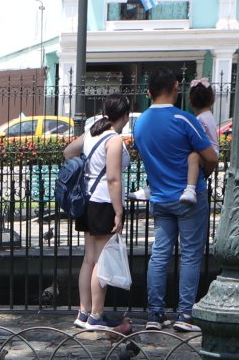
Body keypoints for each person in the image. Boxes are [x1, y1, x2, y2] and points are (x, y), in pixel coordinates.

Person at [132, 68, 219, 332]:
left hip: (160, 196)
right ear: (175, 87)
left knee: (160, 254)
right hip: (188, 196)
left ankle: (155, 314)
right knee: (190, 255)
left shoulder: (140, 123)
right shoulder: (184, 119)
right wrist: (201, 171)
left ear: (149, 92)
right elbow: (211, 156)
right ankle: (184, 315)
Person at [61, 94, 131, 331]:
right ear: (125, 116)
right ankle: (96, 315)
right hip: (103, 202)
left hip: (87, 200)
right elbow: (113, 179)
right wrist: (119, 211)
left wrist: (88, 169)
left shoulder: (91, 132)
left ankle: (83, 312)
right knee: (102, 260)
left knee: (89, 259)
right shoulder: (114, 139)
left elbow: (68, 152)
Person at [181, 77, 219, 205]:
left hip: (207, 152)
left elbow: (197, 139)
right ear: (212, 100)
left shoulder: (199, 120)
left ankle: (190, 189)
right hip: (212, 150)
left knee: (193, 157)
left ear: (191, 102)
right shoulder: (209, 116)